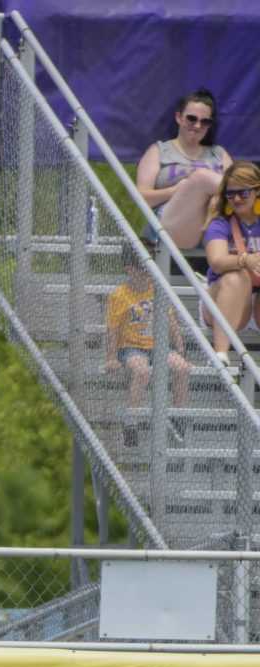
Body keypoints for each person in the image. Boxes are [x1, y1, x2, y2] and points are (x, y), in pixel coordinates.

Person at [137, 89, 231, 262]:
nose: (197, 125)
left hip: (212, 227)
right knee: (202, 179)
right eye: (191, 118)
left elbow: (238, 183)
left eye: (205, 121)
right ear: (179, 117)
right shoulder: (159, 151)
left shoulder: (219, 154)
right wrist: (175, 190)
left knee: (231, 187)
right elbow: (140, 198)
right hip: (170, 226)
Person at [106, 258, 195, 423]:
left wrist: (182, 352)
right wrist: (111, 357)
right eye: (142, 269)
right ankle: (131, 422)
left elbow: (172, 324)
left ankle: (178, 419)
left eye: (149, 269)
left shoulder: (157, 291)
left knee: (181, 368)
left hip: (157, 346)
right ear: (129, 269)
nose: (146, 273)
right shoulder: (119, 295)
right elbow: (113, 329)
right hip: (130, 347)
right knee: (142, 371)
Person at [201, 162, 260, 365]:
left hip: (257, 304)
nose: (236, 199)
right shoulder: (220, 223)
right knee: (236, 277)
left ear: (256, 191)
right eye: (230, 194)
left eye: (243, 193)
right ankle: (220, 354)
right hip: (222, 300)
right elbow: (217, 262)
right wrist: (245, 260)